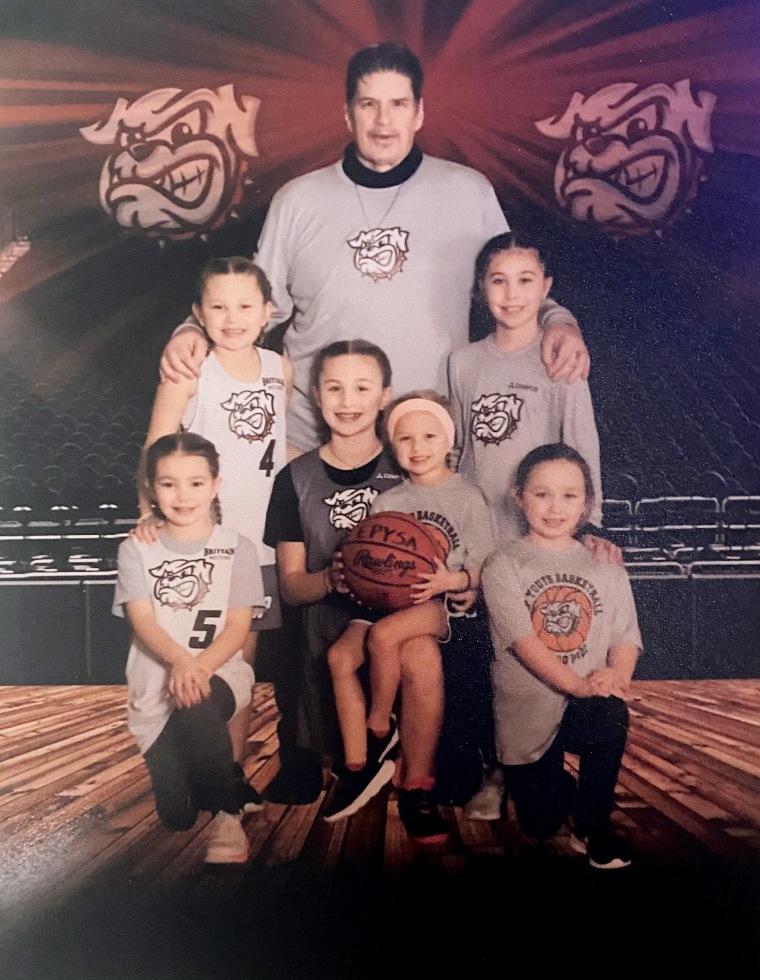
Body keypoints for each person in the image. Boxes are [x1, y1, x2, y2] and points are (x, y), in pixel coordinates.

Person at [158, 42, 590, 458]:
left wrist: (559, 321)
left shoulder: (467, 191)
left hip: (429, 438)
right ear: (348, 114)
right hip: (318, 441)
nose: (384, 120)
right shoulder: (298, 199)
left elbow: (515, 285)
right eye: (369, 104)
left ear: (419, 113)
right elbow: (250, 305)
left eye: (398, 104)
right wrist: (191, 331)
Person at [447, 231, 618, 821]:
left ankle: (540, 770)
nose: (511, 294)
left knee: (538, 662)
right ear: (480, 289)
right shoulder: (463, 361)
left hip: (539, 543)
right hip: (481, 540)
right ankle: (494, 773)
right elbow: (461, 455)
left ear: (546, 289)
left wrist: (589, 524)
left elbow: (582, 447)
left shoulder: (558, 358)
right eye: (498, 280)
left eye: (525, 281)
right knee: (488, 669)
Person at [134, 256, 292, 811]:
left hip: (260, 546)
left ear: (268, 312)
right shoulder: (190, 371)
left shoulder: (279, 368)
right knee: (184, 662)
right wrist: (152, 516)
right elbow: (156, 447)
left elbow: (272, 455)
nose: (232, 317)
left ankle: (229, 775)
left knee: (239, 668)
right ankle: (181, 767)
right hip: (202, 541)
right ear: (198, 314)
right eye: (218, 306)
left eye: (246, 305)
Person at [323, 392, 492, 843]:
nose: (418, 447)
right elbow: (371, 567)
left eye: (429, 436)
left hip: (444, 609)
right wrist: (349, 574)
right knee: (413, 653)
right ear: (392, 445)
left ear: (449, 440)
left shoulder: (468, 496)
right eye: (405, 438)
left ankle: (381, 728)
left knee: (390, 636)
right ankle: (416, 786)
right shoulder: (388, 500)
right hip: (395, 610)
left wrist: (450, 582)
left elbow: (485, 566)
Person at [482, 444, 642, 870]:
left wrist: (614, 679)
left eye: (569, 495)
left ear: (587, 502)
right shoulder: (502, 564)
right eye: (542, 494)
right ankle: (554, 787)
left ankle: (594, 827)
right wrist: (578, 683)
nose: (556, 508)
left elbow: (625, 636)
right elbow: (523, 642)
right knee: (539, 824)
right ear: (518, 496)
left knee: (611, 714)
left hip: (583, 702)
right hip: (528, 713)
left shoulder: (605, 564)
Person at [113, 432, 267, 865]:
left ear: (216, 484)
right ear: (151, 489)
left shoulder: (238, 548)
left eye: (196, 483)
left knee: (197, 702)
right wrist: (180, 662)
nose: (183, 495)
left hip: (218, 672)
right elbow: (142, 621)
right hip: (155, 684)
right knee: (177, 817)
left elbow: (238, 626)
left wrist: (197, 669)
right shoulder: (134, 549)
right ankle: (214, 784)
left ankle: (227, 816)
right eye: (169, 483)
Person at [262, 340, 402, 805]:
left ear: (384, 394)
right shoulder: (294, 478)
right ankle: (315, 757)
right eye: (334, 388)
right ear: (317, 397)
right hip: (323, 622)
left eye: (362, 387)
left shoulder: (407, 468)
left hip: (397, 626)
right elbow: (291, 584)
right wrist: (331, 580)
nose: (348, 401)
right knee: (310, 636)